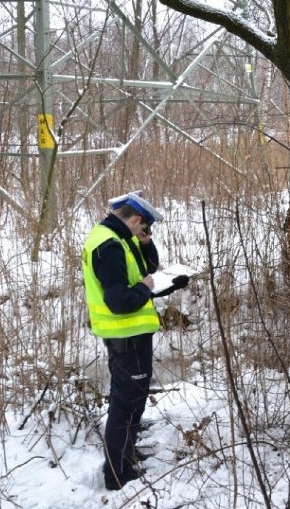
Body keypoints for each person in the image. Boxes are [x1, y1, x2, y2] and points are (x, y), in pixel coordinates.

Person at [81, 190, 189, 490]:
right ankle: (118, 474)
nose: (146, 233)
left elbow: (146, 272)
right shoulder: (109, 245)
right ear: (137, 219)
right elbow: (119, 300)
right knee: (125, 405)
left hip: (130, 334)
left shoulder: (117, 237)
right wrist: (144, 288)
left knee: (132, 399)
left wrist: (146, 244)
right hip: (124, 334)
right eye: (145, 228)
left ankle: (125, 456)